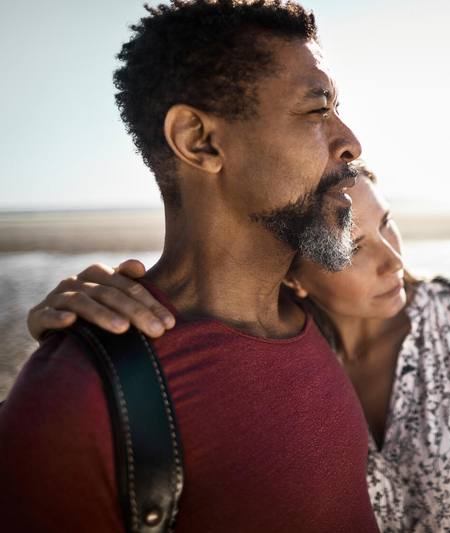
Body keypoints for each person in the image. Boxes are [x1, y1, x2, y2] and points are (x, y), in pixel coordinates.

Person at [0, 1, 382, 532]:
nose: (351, 143)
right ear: (199, 141)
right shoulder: (77, 394)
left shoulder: (325, 311)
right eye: (317, 111)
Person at [28, 162, 450, 532]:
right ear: (294, 278)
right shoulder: (275, 357)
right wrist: (85, 317)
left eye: (390, 225)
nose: (394, 262)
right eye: (354, 246)